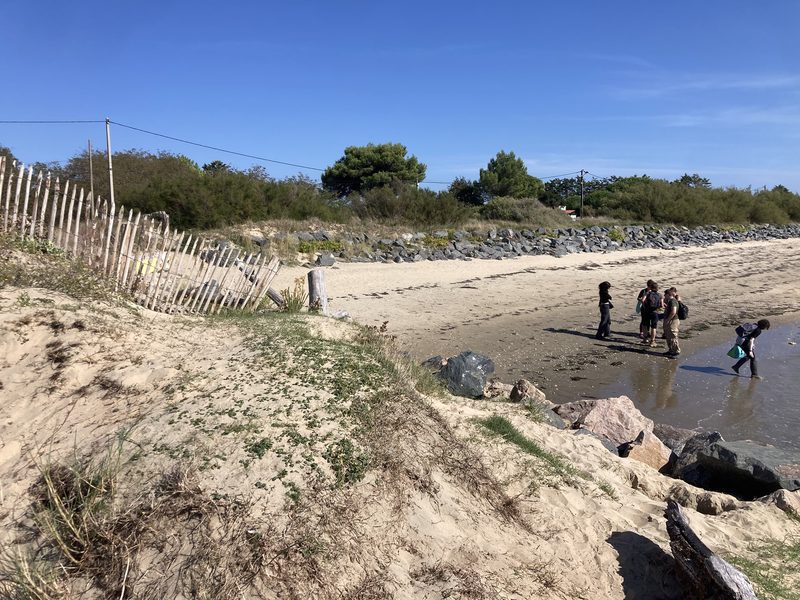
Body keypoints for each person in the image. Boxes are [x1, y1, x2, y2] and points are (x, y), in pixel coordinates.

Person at [639, 282, 663, 347]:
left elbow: (642, 300)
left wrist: (644, 306)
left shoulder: (647, 293)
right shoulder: (659, 295)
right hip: (655, 312)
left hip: (647, 311)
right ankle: (652, 341)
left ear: (651, 287)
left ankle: (645, 338)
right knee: (653, 327)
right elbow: (662, 304)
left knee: (644, 325)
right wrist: (658, 307)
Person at [662, 287, 680, 356]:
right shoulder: (670, 301)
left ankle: (676, 351)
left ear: (668, 295)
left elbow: (673, 312)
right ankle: (671, 350)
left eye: (665, 295)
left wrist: (667, 320)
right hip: (670, 320)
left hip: (673, 320)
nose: (664, 296)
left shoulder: (673, 301)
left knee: (673, 335)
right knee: (668, 335)